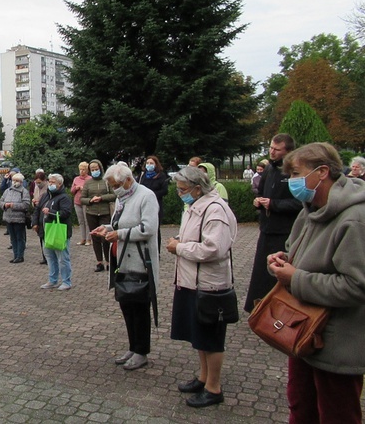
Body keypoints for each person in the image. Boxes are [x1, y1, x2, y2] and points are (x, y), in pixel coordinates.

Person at [268, 142, 365, 423]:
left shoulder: (355, 219)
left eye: (297, 173)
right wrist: (285, 259)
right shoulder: (310, 210)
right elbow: (305, 254)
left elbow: (357, 286)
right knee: (301, 408)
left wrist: (296, 278)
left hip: (336, 345)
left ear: (322, 172)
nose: (291, 182)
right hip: (302, 334)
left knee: (336, 415)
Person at [165, 166, 237, 408]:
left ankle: (214, 388)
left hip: (209, 286)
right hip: (191, 282)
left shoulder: (215, 209)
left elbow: (214, 249)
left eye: (183, 189)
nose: (179, 193)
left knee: (211, 338)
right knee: (199, 336)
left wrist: (180, 247)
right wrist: (179, 240)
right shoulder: (194, 206)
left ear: (198, 188)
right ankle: (204, 377)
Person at [91, 163, 159, 370]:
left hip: (140, 261)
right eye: (112, 186)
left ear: (128, 180)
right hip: (122, 260)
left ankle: (142, 351)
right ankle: (133, 346)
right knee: (127, 305)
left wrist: (118, 234)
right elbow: (121, 223)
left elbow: (148, 228)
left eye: (116, 185)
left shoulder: (146, 196)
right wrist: (108, 228)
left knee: (139, 308)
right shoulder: (123, 197)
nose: (115, 189)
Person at [244, 133, 302, 313]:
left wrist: (274, 204)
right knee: (262, 272)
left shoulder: (295, 172)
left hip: (285, 231)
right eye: (271, 148)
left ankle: (281, 309)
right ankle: (259, 305)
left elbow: (301, 203)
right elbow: (260, 192)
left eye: (277, 149)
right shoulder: (269, 169)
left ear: (288, 151)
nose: (272, 152)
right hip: (267, 228)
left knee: (279, 272)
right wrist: (259, 202)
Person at [34, 173, 74, 291]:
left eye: (53, 183)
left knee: (63, 258)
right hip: (46, 231)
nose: (50, 184)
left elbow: (65, 213)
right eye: (49, 182)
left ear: (60, 184)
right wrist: (35, 223)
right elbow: (37, 209)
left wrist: (50, 211)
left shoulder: (64, 198)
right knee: (50, 257)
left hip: (59, 232)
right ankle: (53, 280)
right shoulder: (46, 196)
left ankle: (66, 281)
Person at [80, 159, 116, 272]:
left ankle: (108, 261)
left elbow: (114, 195)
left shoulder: (107, 181)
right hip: (92, 213)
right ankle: (99, 262)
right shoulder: (88, 183)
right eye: (92, 169)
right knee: (95, 237)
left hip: (105, 212)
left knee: (105, 238)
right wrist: (90, 200)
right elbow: (82, 198)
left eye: (96, 169)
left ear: (100, 168)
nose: (95, 171)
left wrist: (102, 198)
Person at [137, 155, 170, 248]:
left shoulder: (161, 176)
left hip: (156, 205)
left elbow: (164, 191)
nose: (149, 165)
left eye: (151, 163)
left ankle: (156, 250)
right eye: (147, 163)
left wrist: (151, 195)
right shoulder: (142, 176)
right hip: (142, 205)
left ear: (156, 164)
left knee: (155, 229)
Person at [0, 172, 31, 264]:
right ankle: (15, 255)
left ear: (21, 182)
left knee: (19, 237)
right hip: (8, 218)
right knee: (12, 238)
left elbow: (26, 205)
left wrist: (13, 205)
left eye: (17, 180)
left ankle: (20, 256)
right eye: (13, 180)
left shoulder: (24, 191)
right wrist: (5, 205)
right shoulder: (7, 190)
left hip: (19, 219)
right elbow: (0, 201)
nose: (15, 182)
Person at [70, 161, 92, 246]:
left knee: (87, 221)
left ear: (87, 170)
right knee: (81, 221)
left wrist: (84, 189)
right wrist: (76, 187)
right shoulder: (76, 179)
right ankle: (83, 238)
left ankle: (89, 239)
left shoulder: (90, 179)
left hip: (86, 202)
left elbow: (92, 191)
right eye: (80, 169)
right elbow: (72, 191)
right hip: (77, 202)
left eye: (83, 169)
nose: (81, 171)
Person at [31, 172, 48, 264]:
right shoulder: (36, 187)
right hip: (38, 211)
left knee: (46, 237)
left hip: (45, 213)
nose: (38, 184)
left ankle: (48, 257)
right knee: (41, 237)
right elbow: (34, 197)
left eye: (39, 182)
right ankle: (44, 256)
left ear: (44, 180)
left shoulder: (48, 188)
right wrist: (34, 202)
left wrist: (40, 202)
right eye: (36, 182)